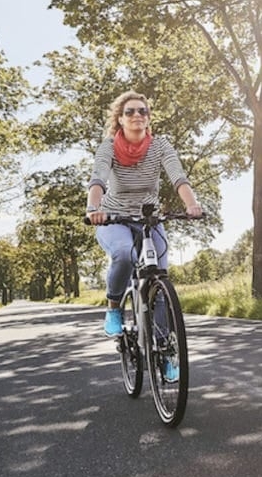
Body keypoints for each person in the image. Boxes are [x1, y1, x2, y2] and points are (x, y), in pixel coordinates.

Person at [86, 90, 202, 348]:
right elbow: (98, 178)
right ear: (120, 119)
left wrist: (192, 204)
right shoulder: (108, 147)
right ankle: (114, 307)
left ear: (148, 118)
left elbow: (178, 177)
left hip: (149, 220)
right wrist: (93, 208)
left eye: (142, 111)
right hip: (114, 219)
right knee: (124, 253)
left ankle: (165, 348)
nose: (137, 115)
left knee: (159, 279)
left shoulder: (160, 145)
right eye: (130, 112)